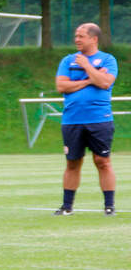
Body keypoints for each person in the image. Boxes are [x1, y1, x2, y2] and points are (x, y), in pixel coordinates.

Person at [54, 22, 117, 216]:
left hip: (99, 119)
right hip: (72, 120)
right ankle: (67, 206)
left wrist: (87, 67)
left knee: (102, 161)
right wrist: (91, 79)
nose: (76, 39)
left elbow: (105, 82)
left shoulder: (107, 60)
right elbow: (62, 86)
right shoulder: (67, 61)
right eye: (76, 36)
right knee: (72, 163)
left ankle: (109, 206)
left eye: (81, 36)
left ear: (94, 39)